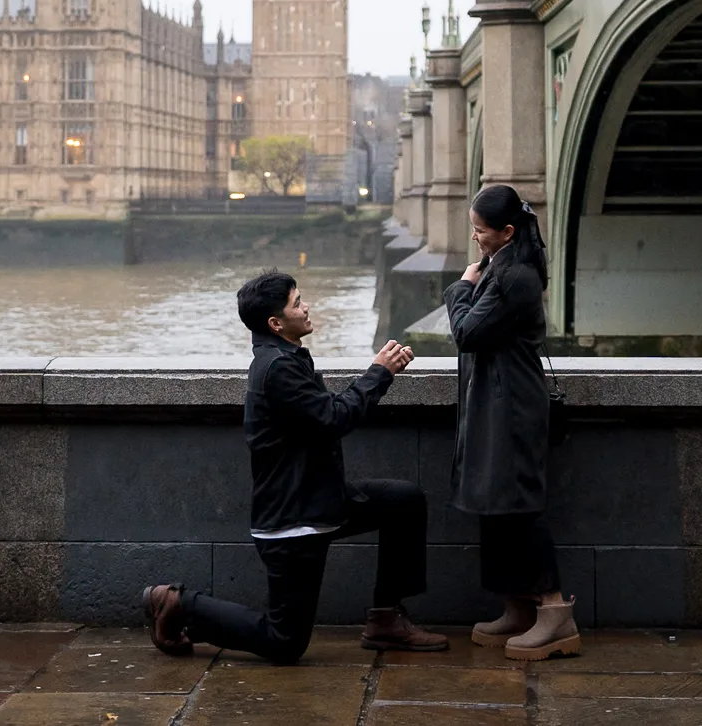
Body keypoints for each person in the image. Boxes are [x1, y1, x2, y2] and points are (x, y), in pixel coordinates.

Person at [139, 269, 449, 663]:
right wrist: (379, 373)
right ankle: (178, 604)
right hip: (294, 519)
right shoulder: (278, 369)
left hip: (321, 499)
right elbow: (334, 417)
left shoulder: (285, 357)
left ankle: (386, 619)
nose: (306, 307)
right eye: (298, 303)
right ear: (276, 323)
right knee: (284, 642)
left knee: (404, 501)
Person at [445, 183, 580, 661]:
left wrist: (460, 286)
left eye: (481, 231)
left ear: (506, 231)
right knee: (494, 502)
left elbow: (468, 333)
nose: (476, 238)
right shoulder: (503, 265)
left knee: (519, 506)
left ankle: (554, 610)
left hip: (512, 406)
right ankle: (517, 608)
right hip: (492, 401)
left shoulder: (516, 276)